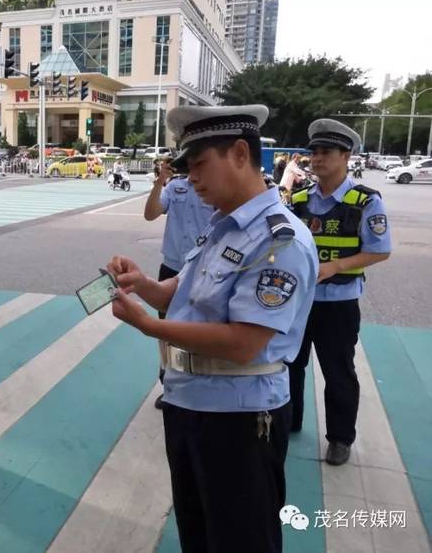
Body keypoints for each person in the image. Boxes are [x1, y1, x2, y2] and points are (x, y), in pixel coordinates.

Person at [107, 104, 317, 553]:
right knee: (199, 532)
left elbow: (245, 343)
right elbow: (184, 295)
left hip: (239, 420)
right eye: (187, 169)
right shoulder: (222, 227)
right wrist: (143, 284)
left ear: (241, 154)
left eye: (200, 165)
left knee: (242, 539)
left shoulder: (279, 240)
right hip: (189, 404)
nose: (191, 179)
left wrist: (150, 327)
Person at [287, 119, 391, 466]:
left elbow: (380, 250)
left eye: (326, 152)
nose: (317, 159)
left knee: (338, 372)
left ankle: (340, 438)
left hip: (339, 304)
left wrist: (335, 267)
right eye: (313, 152)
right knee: (290, 364)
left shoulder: (364, 201)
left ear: (347, 156)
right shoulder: (299, 199)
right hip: (298, 302)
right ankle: (290, 421)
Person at [143, 157, 213, 409]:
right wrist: (159, 182)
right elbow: (150, 214)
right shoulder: (174, 187)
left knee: (198, 330)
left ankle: (196, 385)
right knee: (166, 332)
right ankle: (169, 385)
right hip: (171, 266)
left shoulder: (213, 190)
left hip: (201, 270)